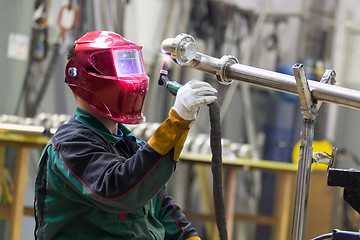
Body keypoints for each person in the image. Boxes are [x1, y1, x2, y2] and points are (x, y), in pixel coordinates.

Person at [34, 30, 217, 240]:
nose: (132, 79)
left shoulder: (131, 146)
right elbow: (121, 190)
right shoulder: (70, 146)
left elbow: (162, 209)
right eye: (122, 69)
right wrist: (177, 121)